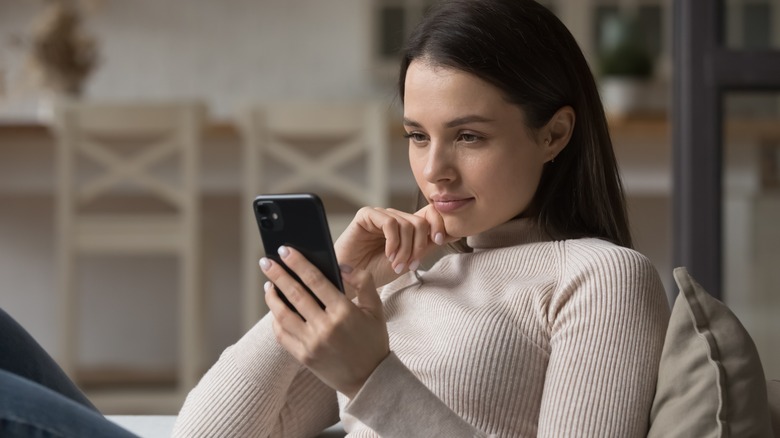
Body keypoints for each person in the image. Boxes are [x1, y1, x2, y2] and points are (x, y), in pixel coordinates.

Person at [173, 0, 670, 437]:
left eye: (469, 136)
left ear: (554, 134)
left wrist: (370, 377)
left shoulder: (600, 277)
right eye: (417, 136)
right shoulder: (397, 289)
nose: (434, 171)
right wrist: (330, 284)